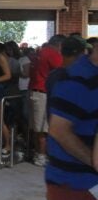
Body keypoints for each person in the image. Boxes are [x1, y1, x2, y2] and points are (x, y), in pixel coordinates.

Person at [45, 36, 98, 200]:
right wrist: (92, 162)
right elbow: (59, 130)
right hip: (78, 184)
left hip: (74, 181)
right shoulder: (78, 79)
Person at [29, 35, 65, 166]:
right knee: (43, 128)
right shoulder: (52, 54)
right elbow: (64, 70)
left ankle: (38, 153)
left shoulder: (39, 53)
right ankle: (41, 156)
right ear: (59, 45)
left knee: (37, 127)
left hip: (35, 91)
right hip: (43, 93)